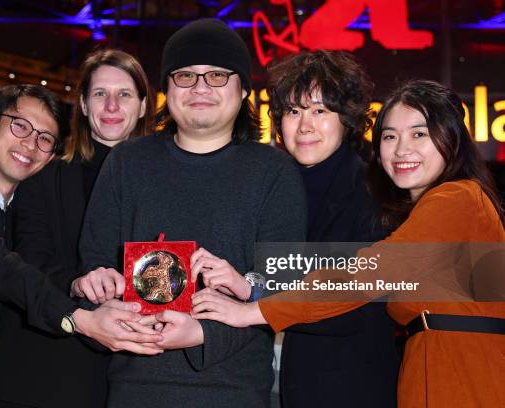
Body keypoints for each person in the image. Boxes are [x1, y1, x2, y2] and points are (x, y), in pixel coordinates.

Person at [192, 80, 505, 408]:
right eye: (389, 136)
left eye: (419, 134)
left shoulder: (458, 198)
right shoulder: (418, 213)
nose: (401, 149)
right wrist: (252, 291)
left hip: (467, 380)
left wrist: (252, 311)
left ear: (452, 138)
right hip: (429, 376)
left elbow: (366, 274)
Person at [74, 18, 306, 408]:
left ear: (243, 89)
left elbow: (283, 290)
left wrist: (203, 334)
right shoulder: (127, 163)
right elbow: (93, 262)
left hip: (233, 392)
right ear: (166, 89)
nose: (200, 88)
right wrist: (94, 287)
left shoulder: (274, 172)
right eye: (185, 76)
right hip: (133, 388)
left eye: (217, 75)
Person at [0, 84, 161, 406]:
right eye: (20, 126)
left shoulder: (25, 212)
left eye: (44, 138)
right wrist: (79, 319)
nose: (30, 144)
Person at [0, 49, 155, 408]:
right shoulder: (44, 174)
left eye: (124, 94)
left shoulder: (164, 184)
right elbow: (26, 261)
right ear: (84, 105)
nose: (111, 106)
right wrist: (76, 284)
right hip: (44, 374)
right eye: (99, 94)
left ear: (142, 106)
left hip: (128, 379)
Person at [261, 50, 398, 407]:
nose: (305, 125)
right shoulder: (276, 187)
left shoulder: (375, 190)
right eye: (294, 112)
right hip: (295, 385)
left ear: (348, 119)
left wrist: (254, 294)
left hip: (357, 387)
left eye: (320, 111)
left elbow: (356, 299)